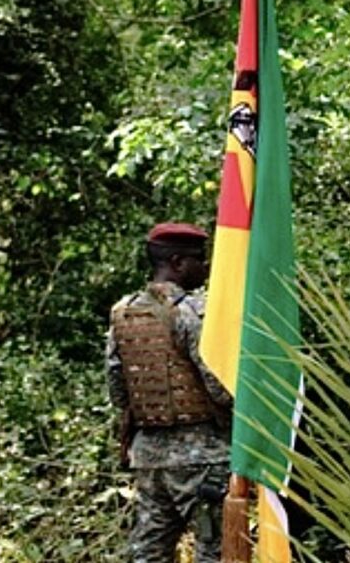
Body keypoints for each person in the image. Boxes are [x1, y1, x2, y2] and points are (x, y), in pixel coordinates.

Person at [106, 223, 232, 562]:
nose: (205, 268)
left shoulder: (124, 312)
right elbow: (220, 388)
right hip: (202, 458)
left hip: (148, 458)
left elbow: (118, 393)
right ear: (177, 262)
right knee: (214, 551)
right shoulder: (193, 312)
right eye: (199, 260)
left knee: (148, 551)